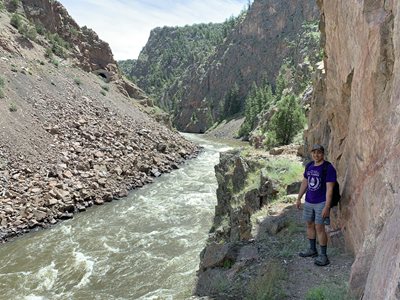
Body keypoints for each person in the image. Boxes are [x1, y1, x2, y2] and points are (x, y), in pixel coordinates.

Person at [296, 144, 337, 266]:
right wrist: (299, 198)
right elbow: (305, 183)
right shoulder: (309, 166)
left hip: (321, 203)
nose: (316, 155)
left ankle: (323, 255)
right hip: (309, 201)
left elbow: (330, 189)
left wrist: (327, 207)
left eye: (319, 152)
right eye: (314, 152)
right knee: (309, 224)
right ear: (311, 154)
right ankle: (312, 249)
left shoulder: (328, 168)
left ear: (323, 154)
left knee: (320, 227)